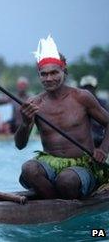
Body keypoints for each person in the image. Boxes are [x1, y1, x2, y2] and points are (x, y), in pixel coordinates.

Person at [16, 35, 109, 199]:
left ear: (64, 71)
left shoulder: (82, 97)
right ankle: (55, 204)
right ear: (39, 75)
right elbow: (20, 145)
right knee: (28, 169)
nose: (49, 78)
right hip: (49, 163)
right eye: (43, 74)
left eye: (54, 73)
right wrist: (25, 123)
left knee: (66, 180)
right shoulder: (34, 103)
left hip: (82, 164)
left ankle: (55, 201)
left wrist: (102, 149)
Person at [79, 75, 108, 146]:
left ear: (95, 88)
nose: (89, 90)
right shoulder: (76, 104)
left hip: (99, 139)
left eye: (90, 88)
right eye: (86, 87)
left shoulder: (103, 103)